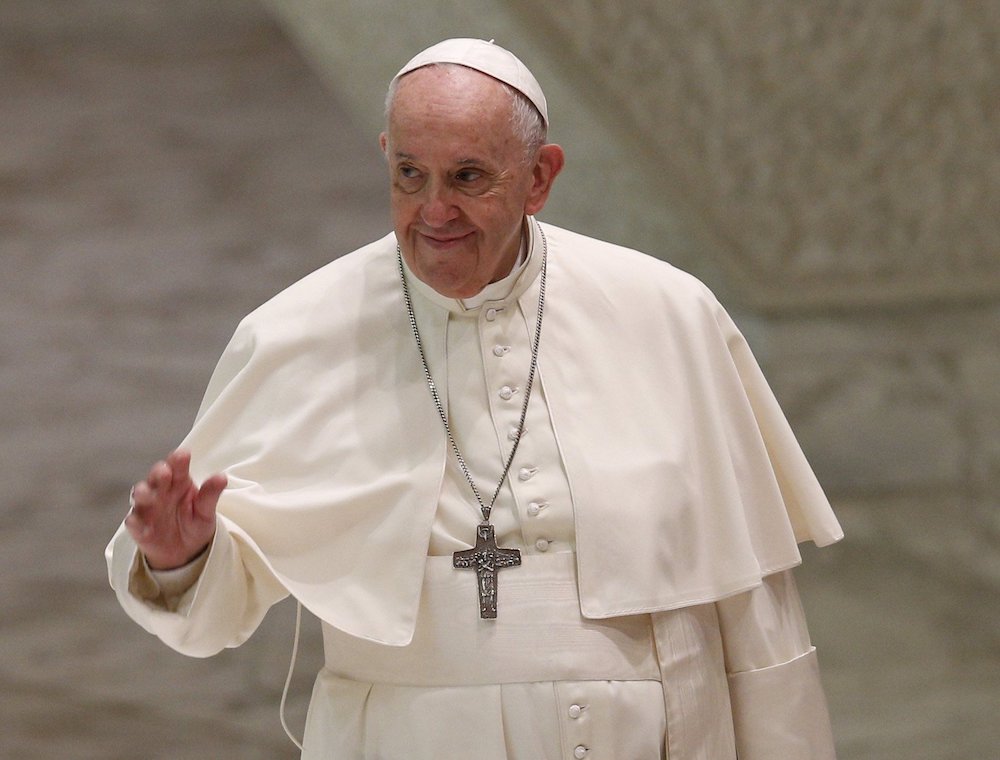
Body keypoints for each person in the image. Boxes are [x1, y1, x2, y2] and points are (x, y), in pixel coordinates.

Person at [107, 38, 844, 759]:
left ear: (539, 177)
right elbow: (214, 613)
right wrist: (183, 559)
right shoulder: (296, 334)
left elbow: (757, 612)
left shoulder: (668, 313)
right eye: (408, 174)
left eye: (466, 177)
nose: (434, 212)